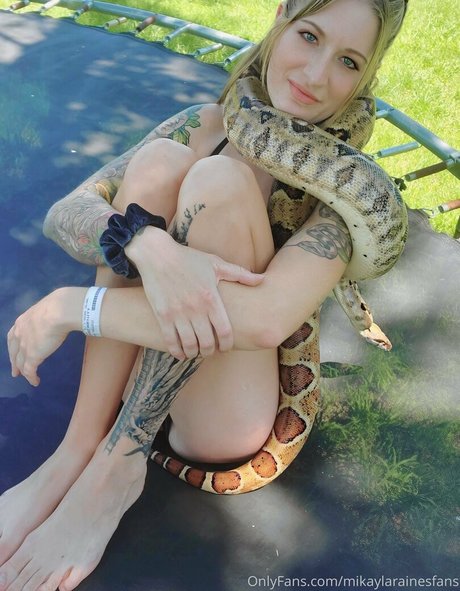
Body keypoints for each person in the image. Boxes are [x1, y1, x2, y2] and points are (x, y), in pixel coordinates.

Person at [0, 0, 408, 589]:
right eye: (309, 35)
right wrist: (150, 246)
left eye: (349, 61)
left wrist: (75, 308)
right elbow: (67, 213)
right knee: (160, 162)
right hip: (145, 362)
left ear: (366, 77)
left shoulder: (341, 195)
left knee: (217, 182)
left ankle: (117, 470)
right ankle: (78, 449)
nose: (317, 75)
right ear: (280, 17)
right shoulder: (207, 123)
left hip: (222, 419)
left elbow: (264, 319)